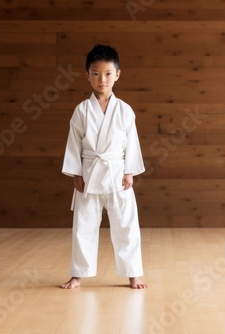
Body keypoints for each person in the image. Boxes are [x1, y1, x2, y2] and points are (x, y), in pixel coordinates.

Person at [60, 44, 147, 289]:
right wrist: (76, 174)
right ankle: (77, 274)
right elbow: (73, 144)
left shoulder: (125, 110)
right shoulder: (81, 110)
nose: (102, 79)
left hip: (118, 174)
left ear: (117, 75)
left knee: (126, 225)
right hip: (89, 175)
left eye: (108, 73)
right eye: (96, 74)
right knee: (84, 226)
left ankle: (133, 274)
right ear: (87, 75)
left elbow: (132, 143)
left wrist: (129, 170)